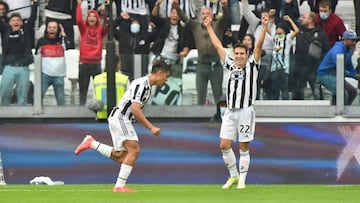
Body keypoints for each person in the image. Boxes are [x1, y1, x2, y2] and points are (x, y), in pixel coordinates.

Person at [74, 60, 171, 193]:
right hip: (121, 117)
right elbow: (135, 110)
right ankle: (119, 186)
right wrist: (151, 127)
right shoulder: (142, 85)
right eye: (166, 76)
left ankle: (92, 143)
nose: (165, 80)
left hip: (120, 118)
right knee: (134, 150)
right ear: (160, 73)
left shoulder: (147, 86)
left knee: (122, 156)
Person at [204, 9, 268, 189]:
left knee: (243, 147)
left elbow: (259, 45)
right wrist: (209, 27)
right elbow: (217, 46)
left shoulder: (252, 65)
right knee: (224, 145)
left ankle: (242, 180)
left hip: (246, 111)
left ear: (246, 55)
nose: (239, 56)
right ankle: (233, 176)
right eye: (237, 53)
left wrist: (264, 26)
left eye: (242, 54)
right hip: (230, 112)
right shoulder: (230, 65)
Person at [173, 0, 228, 105]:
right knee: (200, 94)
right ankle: (199, 118)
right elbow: (184, 18)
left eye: (208, 13)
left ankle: (219, 117)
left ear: (212, 16)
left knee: (218, 94)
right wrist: (177, 7)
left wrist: (225, 7)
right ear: (199, 16)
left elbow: (225, 17)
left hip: (215, 64)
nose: (205, 16)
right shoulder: (195, 26)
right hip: (202, 64)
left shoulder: (218, 25)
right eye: (203, 14)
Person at [0, 0, 38, 106]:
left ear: (21, 22)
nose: (16, 22)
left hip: (23, 68)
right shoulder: (5, 31)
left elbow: (32, 18)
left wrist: (34, 4)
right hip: (9, 67)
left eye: (18, 20)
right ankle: (4, 115)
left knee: (22, 95)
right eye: (13, 20)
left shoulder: (26, 30)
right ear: (9, 23)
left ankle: (22, 117)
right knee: (4, 92)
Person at [290, 11, 330, 100]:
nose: (302, 19)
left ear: (310, 20)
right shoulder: (300, 32)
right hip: (299, 68)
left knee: (317, 93)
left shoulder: (321, 34)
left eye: (304, 17)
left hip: (313, 68)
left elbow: (327, 51)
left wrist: (320, 63)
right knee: (297, 93)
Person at [76, 0, 108, 105]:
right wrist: (79, 5)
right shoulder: (83, 29)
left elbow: (107, 25)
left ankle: (100, 109)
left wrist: (105, 13)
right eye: (90, 16)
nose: (92, 18)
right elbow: (79, 20)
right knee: (83, 91)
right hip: (84, 63)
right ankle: (81, 110)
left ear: (97, 19)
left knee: (98, 90)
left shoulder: (100, 30)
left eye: (94, 16)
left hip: (96, 63)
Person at [316, 30, 360, 105]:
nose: (354, 43)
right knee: (343, 93)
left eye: (355, 40)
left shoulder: (348, 50)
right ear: (345, 40)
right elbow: (341, 70)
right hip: (325, 75)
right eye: (352, 40)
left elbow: (350, 67)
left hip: (335, 75)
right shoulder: (337, 51)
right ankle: (340, 112)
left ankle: (344, 110)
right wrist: (354, 76)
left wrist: (357, 76)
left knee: (352, 92)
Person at [35, 21, 71, 106]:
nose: (52, 29)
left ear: (57, 29)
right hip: (45, 74)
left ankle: (62, 117)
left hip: (59, 75)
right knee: (38, 97)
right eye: (50, 27)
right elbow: (37, 55)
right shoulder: (41, 41)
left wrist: (63, 34)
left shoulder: (61, 40)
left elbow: (68, 46)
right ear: (46, 29)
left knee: (60, 100)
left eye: (54, 27)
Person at [268, 15, 299, 100]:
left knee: (284, 88)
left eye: (280, 33)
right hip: (274, 67)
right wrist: (267, 22)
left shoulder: (288, 38)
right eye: (277, 33)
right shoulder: (275, 37)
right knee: (275, 88)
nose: (279, 34)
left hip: (284, 67)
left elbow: (296, 31)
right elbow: (267, 30)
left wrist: (290, 20)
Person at [92, 55, 130, 120]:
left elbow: (94, 99)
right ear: (118, 64)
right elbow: (129, 100)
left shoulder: (97, 79)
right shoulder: (124, 79)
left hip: (101, 117)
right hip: (119, 117)